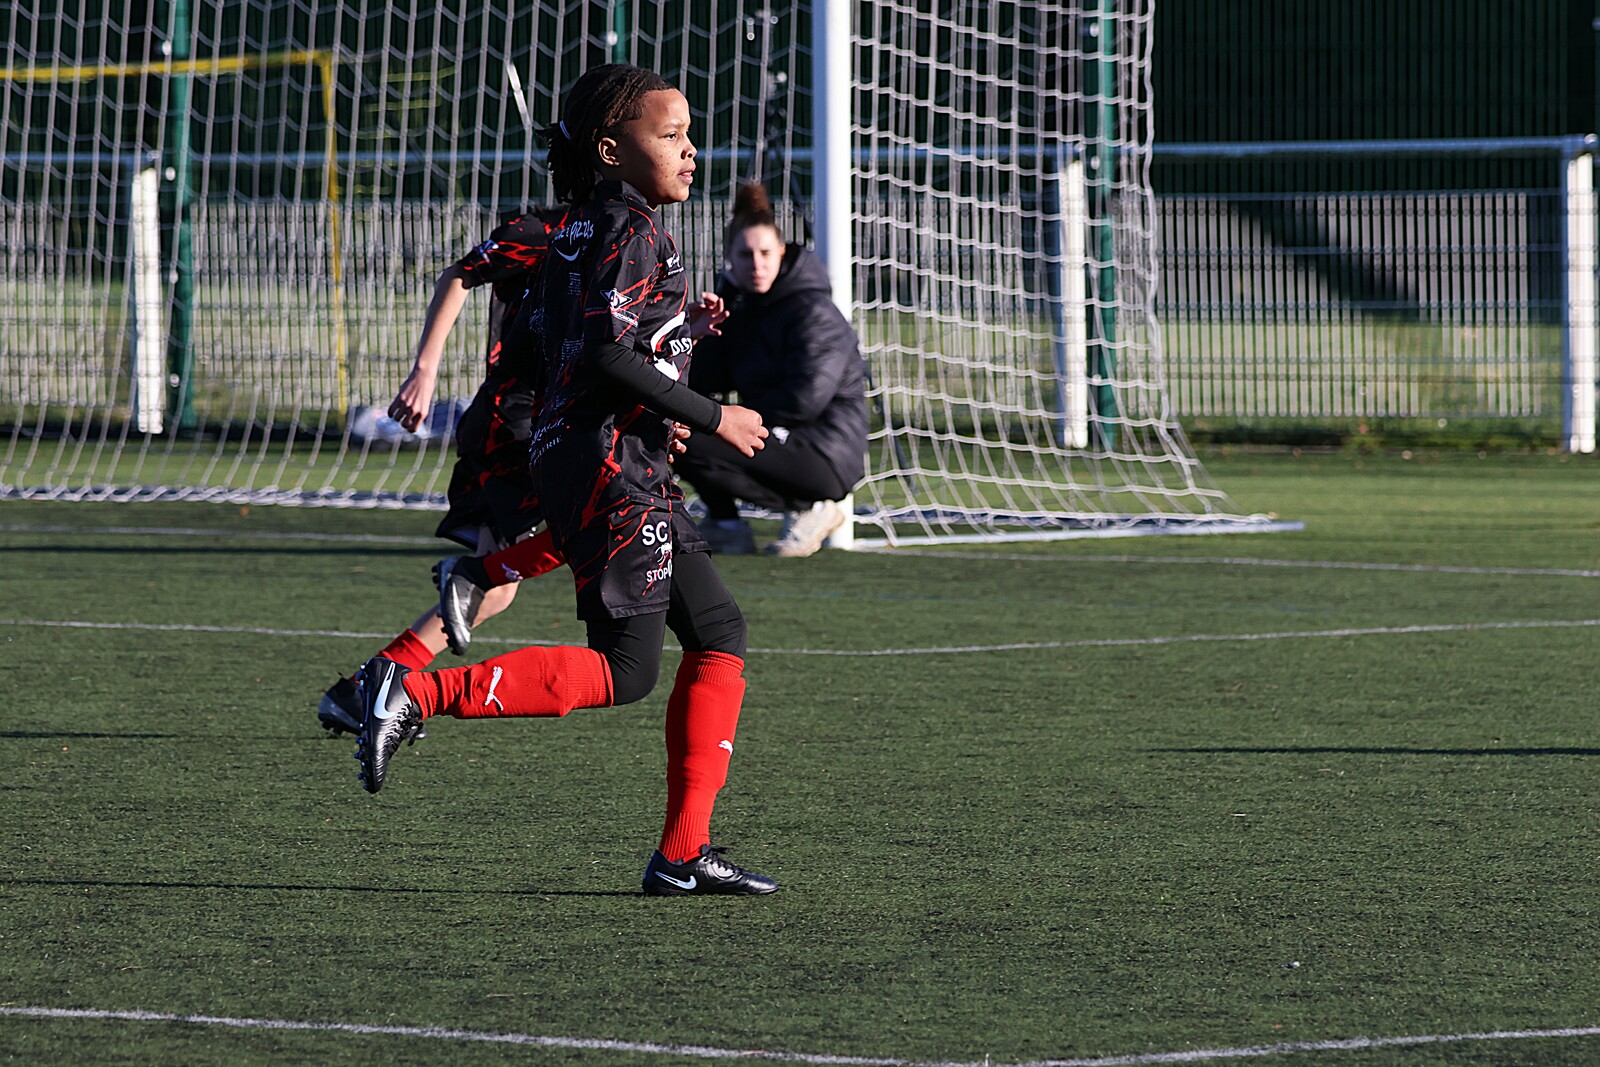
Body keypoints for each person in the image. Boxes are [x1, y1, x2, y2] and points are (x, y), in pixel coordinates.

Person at [352, 63, 778, 897]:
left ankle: (682, 854)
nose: (690, 150)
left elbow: (557, 348)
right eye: (671, 135)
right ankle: (413, 693)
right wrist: (712, 415)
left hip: (600, 457)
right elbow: (607, 355)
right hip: (614, 467)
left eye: (690, 135)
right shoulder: (633, 230)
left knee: (718, 630)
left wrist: (679, 335)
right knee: (627, 669)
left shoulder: (578, 230)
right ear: (612, 151)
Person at [315, 210, 572, 736]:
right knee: (594, 523)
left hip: (541, 422)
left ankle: (363, 692)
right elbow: (460, 273)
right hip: (515, 425)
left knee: (498, 589)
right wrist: (424, 371)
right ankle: (461, 584)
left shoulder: (626, 238)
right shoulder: (547, 232)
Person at [673, 182, 868, 557]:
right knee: (677, 429)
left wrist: (729, 419)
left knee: (695, 431)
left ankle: (812, 507)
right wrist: (719, 311)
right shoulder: (746, 308)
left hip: (824, 452)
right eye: (745, 255)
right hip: (776, 437)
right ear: (730, 260)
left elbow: (803, 401)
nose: (757, 264)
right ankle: (728, 526)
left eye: (765, 253)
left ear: (781, 252)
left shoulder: (814, 312)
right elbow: (703, 379)